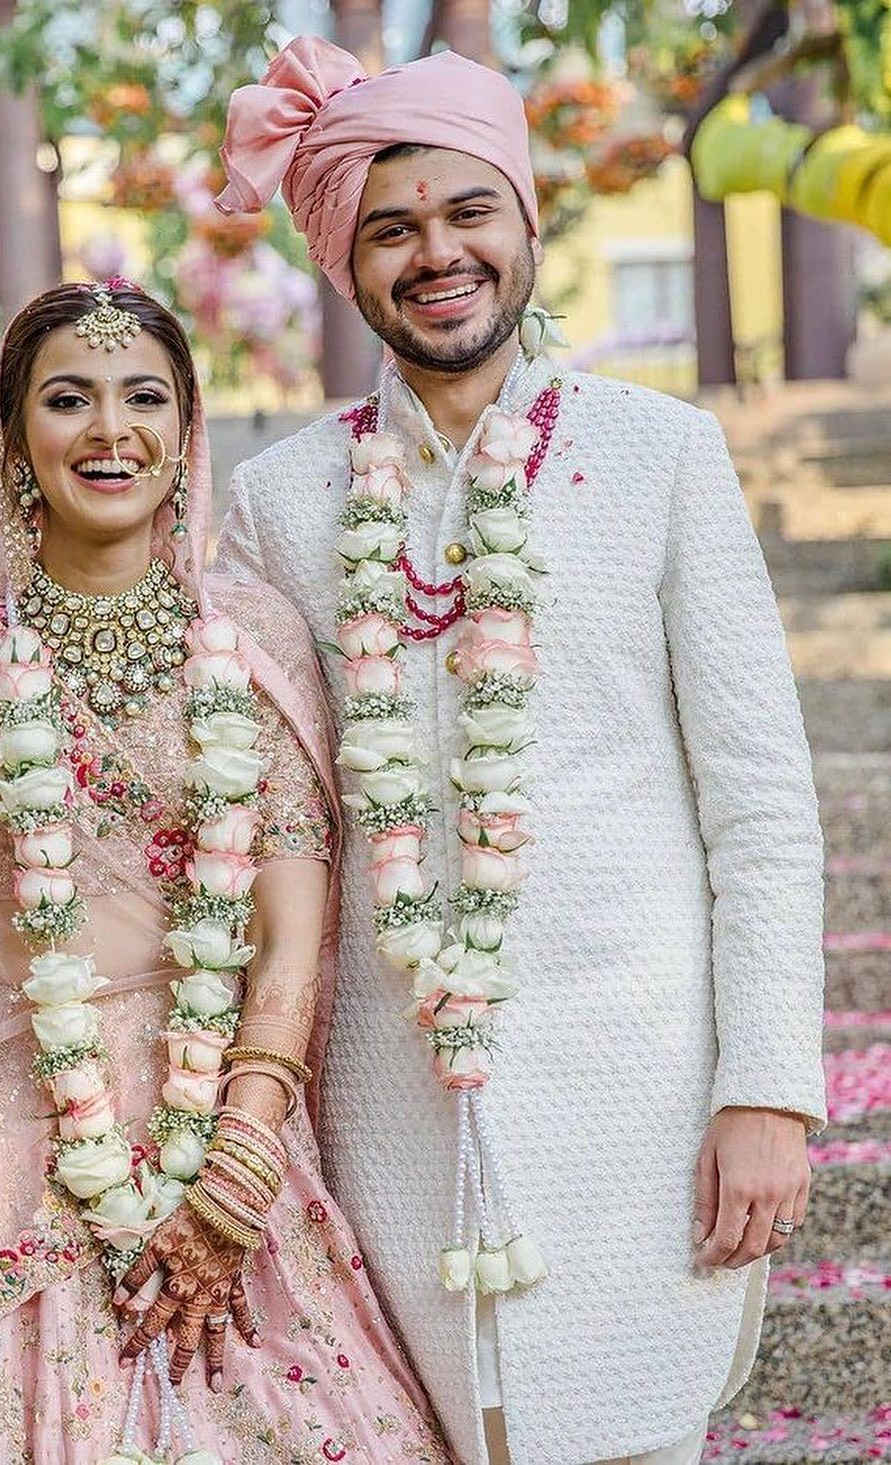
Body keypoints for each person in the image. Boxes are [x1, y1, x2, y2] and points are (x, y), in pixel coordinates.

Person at [212, 37, 826, 1465]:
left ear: (526, 222)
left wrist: (766, 1088)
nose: (438, 253)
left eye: (468, 210)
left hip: (639, 1093)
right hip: (383, 1107)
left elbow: (760, 804)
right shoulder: (279, 500)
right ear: (346, 266)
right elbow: (254, 820)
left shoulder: (662, 454)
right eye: (391, 228)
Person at [0, 279, 452, 1465]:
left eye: (143, 398)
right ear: (14, 436)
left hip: (210, 1118)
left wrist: (241, 1161)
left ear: (186, 428)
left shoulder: (255, 640)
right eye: (68, 399)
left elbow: (288, 934)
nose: (110, 430)